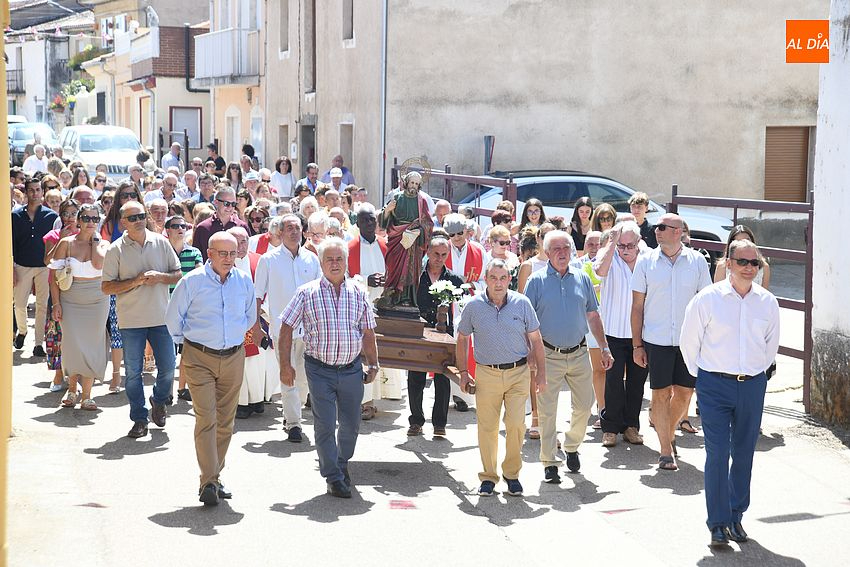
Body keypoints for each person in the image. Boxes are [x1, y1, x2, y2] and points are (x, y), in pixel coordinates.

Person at [680, 239, 779, 547]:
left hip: (751, 385)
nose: (749, 268)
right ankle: (718, 523)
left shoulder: (767, 301)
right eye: (743, 262)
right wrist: (704, 378)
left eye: (755, 263)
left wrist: (753, 375)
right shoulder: (707, 299)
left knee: (745, 454)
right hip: (714, 385)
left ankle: (736, 515)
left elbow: (770, 346)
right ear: (728, 262)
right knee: (718, 453)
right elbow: (688, 343)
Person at [279, 238, 379, 498]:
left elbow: (368, 331)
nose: (334, 264)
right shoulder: (306, 292)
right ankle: (333, 476)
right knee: (324, 424)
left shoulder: (358, 292)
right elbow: (286, 328)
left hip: (351, 369)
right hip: (319, 369)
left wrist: (373, 363)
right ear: (321, 263)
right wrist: (285, 366)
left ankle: (341, 463)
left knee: (351, 423)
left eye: (339, 259)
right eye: (329, 259)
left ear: (346, 262)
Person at [166, 232, 256, 506]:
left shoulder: (243, 281)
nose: (228, 259)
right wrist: (188, 345)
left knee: (226, 421)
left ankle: (215, 476)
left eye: (232, 254)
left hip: (233, 357)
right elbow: (173, 319)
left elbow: (250, 315)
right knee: (207, 418)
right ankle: (208, 480)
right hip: (199, 357)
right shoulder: (191, 282)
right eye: (223, 253)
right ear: (209, 253)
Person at [525, 231, 613, 481]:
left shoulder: (583, 278)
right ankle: (549, 462)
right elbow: (527, 320)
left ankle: (572, 445)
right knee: (547, 410)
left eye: (566, 247)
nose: (562, 253)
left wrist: (604, 347)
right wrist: (531, 353)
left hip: (579, 353)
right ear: (548, 253)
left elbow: (593, 315)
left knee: (585, 406)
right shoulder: (536, 281)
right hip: (548, 354)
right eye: (556, 249)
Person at [456, 259, 546, 497]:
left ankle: (512, 474)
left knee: (516, 424)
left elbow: (536, 339)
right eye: (494, 278)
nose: (498, 283)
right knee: (487, 427)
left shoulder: (522, 303)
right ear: (486, 279)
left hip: (518, 373)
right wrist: (464, 373)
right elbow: (463, 338)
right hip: (487, 373)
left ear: (510, 279)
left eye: (503, 278)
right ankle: (488, 477)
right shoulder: (473, 306)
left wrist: (541, 375)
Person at [631, 214, 711, 470]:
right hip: (657, 339)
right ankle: (666, 450)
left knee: (685, 393)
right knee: (661, 393)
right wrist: (637, 345)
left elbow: (706, 302)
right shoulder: (645, 262)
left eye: (663, 227)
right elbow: (637, 306)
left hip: (689, 340)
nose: (657, 231)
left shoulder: (697, 261)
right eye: (656, 227)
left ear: (679, 232)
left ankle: (667, 429)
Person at [102, 201, 182, 438]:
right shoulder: (115, 249)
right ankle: (139, 418)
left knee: (168, 369)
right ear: (123, 222)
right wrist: (135, 281)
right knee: (134, 374)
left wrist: (160, 277)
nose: (138, 220)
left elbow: (177, 275)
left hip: (160, 318)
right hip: (131, 321)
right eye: (132, 217)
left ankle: (158, 400)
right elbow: (106, 287)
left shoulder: (161, 242)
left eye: (140, 216)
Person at [253, 214, 320, 441]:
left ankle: (292, 414)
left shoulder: (312, 259)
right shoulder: (268, 260)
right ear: (280, 233)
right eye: (289, 228)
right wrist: (256, 326)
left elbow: (322, 291)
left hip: (309, 330)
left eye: (297, 228)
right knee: (287, 374)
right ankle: (294, 424)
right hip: (282, 329)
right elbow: (257, 296)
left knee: (303, 378)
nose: (294, 232)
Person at [48, 204, 110, 410]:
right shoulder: (66, 243)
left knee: (93, 344)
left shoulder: (103, 244)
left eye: (95, 219)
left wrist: (94, 241)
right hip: (70, 298)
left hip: (97, 299)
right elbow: (53, 277)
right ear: (78, 220)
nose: (90, 222)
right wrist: (56, 303)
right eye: (86, 218)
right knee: (72, 344)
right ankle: (72, 390)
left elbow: (99, 264)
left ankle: (88, 395)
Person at [594, 221, 648, 447]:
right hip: (613, 332)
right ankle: (610, 428)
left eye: (629, 245)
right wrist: (612, 241)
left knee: (637, 381)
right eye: (621, 245)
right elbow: (599, 271)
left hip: (641, 334)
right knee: (613, 380)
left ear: (638, 243)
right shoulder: (609, 255)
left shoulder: (648, 258)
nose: (625, 249)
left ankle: (631, 426)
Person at [347, 204, 402, 418]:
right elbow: (341, 279)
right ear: (357, 223)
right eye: (365, 220)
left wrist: (388, 280)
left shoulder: (384, 245)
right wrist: (366, 281)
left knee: (384, 351)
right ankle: (365, 402)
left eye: (372, 220)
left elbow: (396, 272)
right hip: (359, 309)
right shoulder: (349, 247)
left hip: (383, 306)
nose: (370, 224)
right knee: (363, 354)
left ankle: (388, 393)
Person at [407, 237, 465, 437]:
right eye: (436, 254)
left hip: (444, 333)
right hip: (419, 331)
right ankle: (416, 421)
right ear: (428, 253)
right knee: (416, 377)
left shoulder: (455, 280)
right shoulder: (416, 277)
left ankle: (439, 424)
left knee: (442, 377)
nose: (439, 259)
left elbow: (461, 308)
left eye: (444, 255)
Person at [13, 177, 59, 356]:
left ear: (42, 192)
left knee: (42, 306)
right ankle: (23, 331)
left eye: (38, 190)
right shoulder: (15, 216)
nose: (35, 193)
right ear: (26, 192)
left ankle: (38, 343)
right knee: (19, 304)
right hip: (21, 265)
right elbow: (12, 244)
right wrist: (12, 268)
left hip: (43, 266)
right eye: (31, 190)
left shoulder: (51, 216)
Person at [164, 215, 203, 401]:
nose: (181, 228)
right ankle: (168, 391)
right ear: (168, 230)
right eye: (176, 226)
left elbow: (199, 275)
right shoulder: (162, 252)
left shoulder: (194, 252)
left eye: (183, 225)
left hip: (189, 308)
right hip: (164, 306)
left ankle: (181, 388)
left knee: (186, 351)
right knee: (168, 355)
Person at [191, 187, 249, 260]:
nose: (230, 207)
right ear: (216, 202)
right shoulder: (203, 228)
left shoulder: (242, 226)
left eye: (233, 204)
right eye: (226, 203)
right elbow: (196, 256)